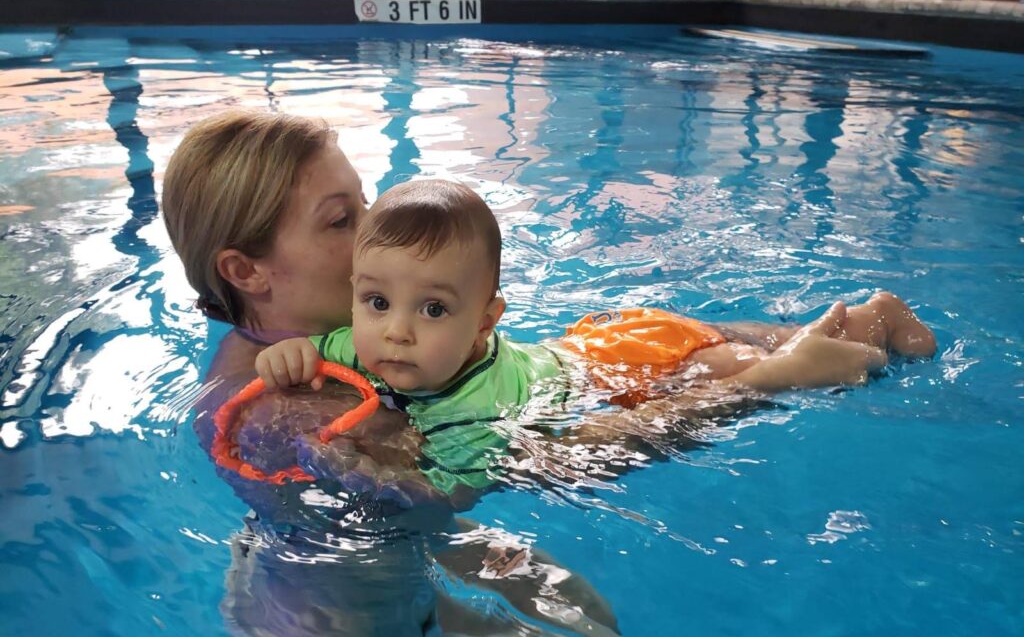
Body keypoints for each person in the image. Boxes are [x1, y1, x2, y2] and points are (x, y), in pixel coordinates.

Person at [163, 109, 681, 637]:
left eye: (365, 202)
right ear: (246, 271)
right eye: (341, 219)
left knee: (569, 597)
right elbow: (524, 461)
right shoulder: (285, 409)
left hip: (377, 562)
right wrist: (740, 390)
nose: (373, 231)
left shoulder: (340, 347)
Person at [253, 178, 936, 495]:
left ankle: (826, 350)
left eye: (432, 311)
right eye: (375, 301)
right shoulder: (358, 341)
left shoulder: (475, 415)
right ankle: (874, 315)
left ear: (486, 321)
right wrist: (290, 358)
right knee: (747, 338)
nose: (394, 331)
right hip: (606, 337)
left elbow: (453, 491)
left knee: (740, 368)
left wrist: (384, 478)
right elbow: (318, 353)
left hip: (634, 367)